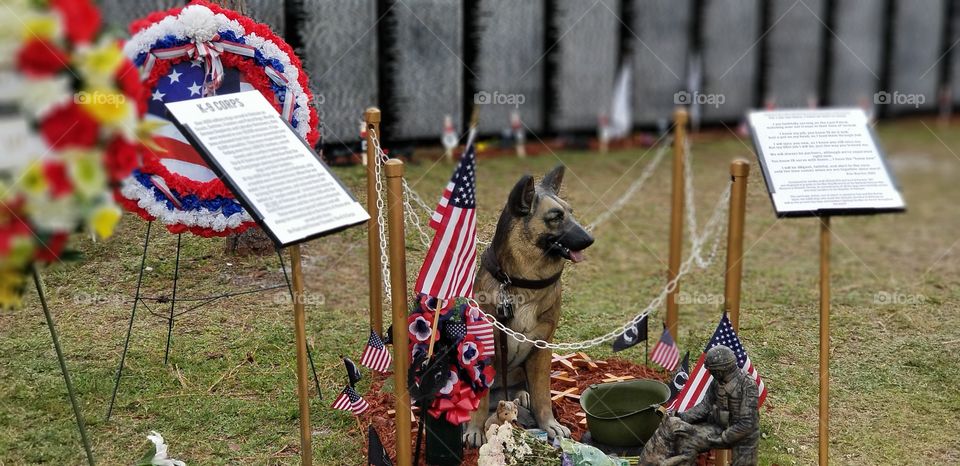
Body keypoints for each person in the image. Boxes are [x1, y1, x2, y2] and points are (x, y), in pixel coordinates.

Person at [672, 345, 760, 465]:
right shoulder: (717, 382)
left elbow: (748, 423)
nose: (709, 372)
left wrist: (723, 438)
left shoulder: (747, 385)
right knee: (684, 442)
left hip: (743, 436)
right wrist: (681, 416)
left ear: (720, 370)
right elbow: (705, 406)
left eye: (711, 370)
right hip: (718, 428)